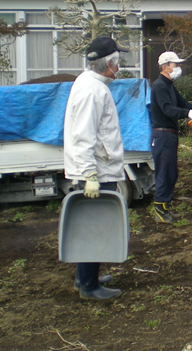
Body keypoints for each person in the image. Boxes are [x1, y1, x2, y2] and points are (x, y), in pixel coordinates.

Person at [63, 36, 128, 300]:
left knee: (92, 225)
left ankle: (85, 277)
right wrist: (90, 174)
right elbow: (83, 135)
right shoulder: (92, 90)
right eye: (118, 60)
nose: (120, 65)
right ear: (110, 63)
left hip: (98, 168)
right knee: (93, 227)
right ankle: (89, 287)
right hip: (97, 172)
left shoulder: (90, 83)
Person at [150, 51, 192, 224]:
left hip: (169, 136)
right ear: (165, 67)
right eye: (176, 65)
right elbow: (168, 109)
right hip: (162, 135)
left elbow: (183, 103)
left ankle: (165, 208)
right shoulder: (160, 86)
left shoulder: (169, 86)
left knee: (171, 173)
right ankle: (160, 211)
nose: (179, 68)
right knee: (164, 173)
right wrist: (189, 113)